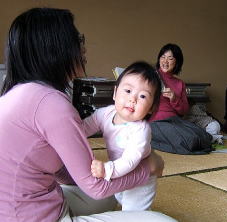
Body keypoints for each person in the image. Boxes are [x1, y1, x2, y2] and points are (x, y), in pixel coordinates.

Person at [0, 7, 177, 222]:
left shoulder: (18, 92)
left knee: (111, 197)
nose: (82, 47)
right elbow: (96, 188)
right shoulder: (51, 104)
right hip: (36, 217)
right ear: (55, 48)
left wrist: (95, 175)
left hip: (30, 205)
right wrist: (149, 167)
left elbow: (61, 171)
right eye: (76, 38)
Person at [83, 61, 161, 211]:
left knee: (133, 212)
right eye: (128, 91)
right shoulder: (105, 113)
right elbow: (83, 128)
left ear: (151, 108)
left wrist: (107, 170)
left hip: (140, 179)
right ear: (114, 93)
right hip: (118, 171)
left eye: (143, 96)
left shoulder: (141, 130)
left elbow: (130, 160)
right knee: (119, 198)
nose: (133, 99)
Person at [149, 43, 212, 155]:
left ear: (177, 62)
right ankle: (149, 139)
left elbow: (183, 111)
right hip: (156, 121)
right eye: (162, 57)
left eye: (170, 58)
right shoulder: (151, 76)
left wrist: (174, 98)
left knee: (205, 137)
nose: (165, 61)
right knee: (190, 141)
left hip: (175, 121)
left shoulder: (179, 83)